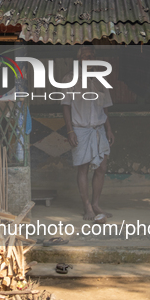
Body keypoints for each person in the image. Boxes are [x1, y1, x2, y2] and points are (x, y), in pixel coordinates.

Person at [62, 47, 115, 221]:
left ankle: (96, 204)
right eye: (85, 56)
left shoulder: (100, 80)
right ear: (78, 60)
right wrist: (70, 130)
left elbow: (105, 108)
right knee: (83, 168)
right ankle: (87, 207)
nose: (89, 58)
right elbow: (66, 107)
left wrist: (108, 129)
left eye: (91, 56)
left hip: (99, 129)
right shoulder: (69, 79)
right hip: (80, 129)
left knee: (102, 167)